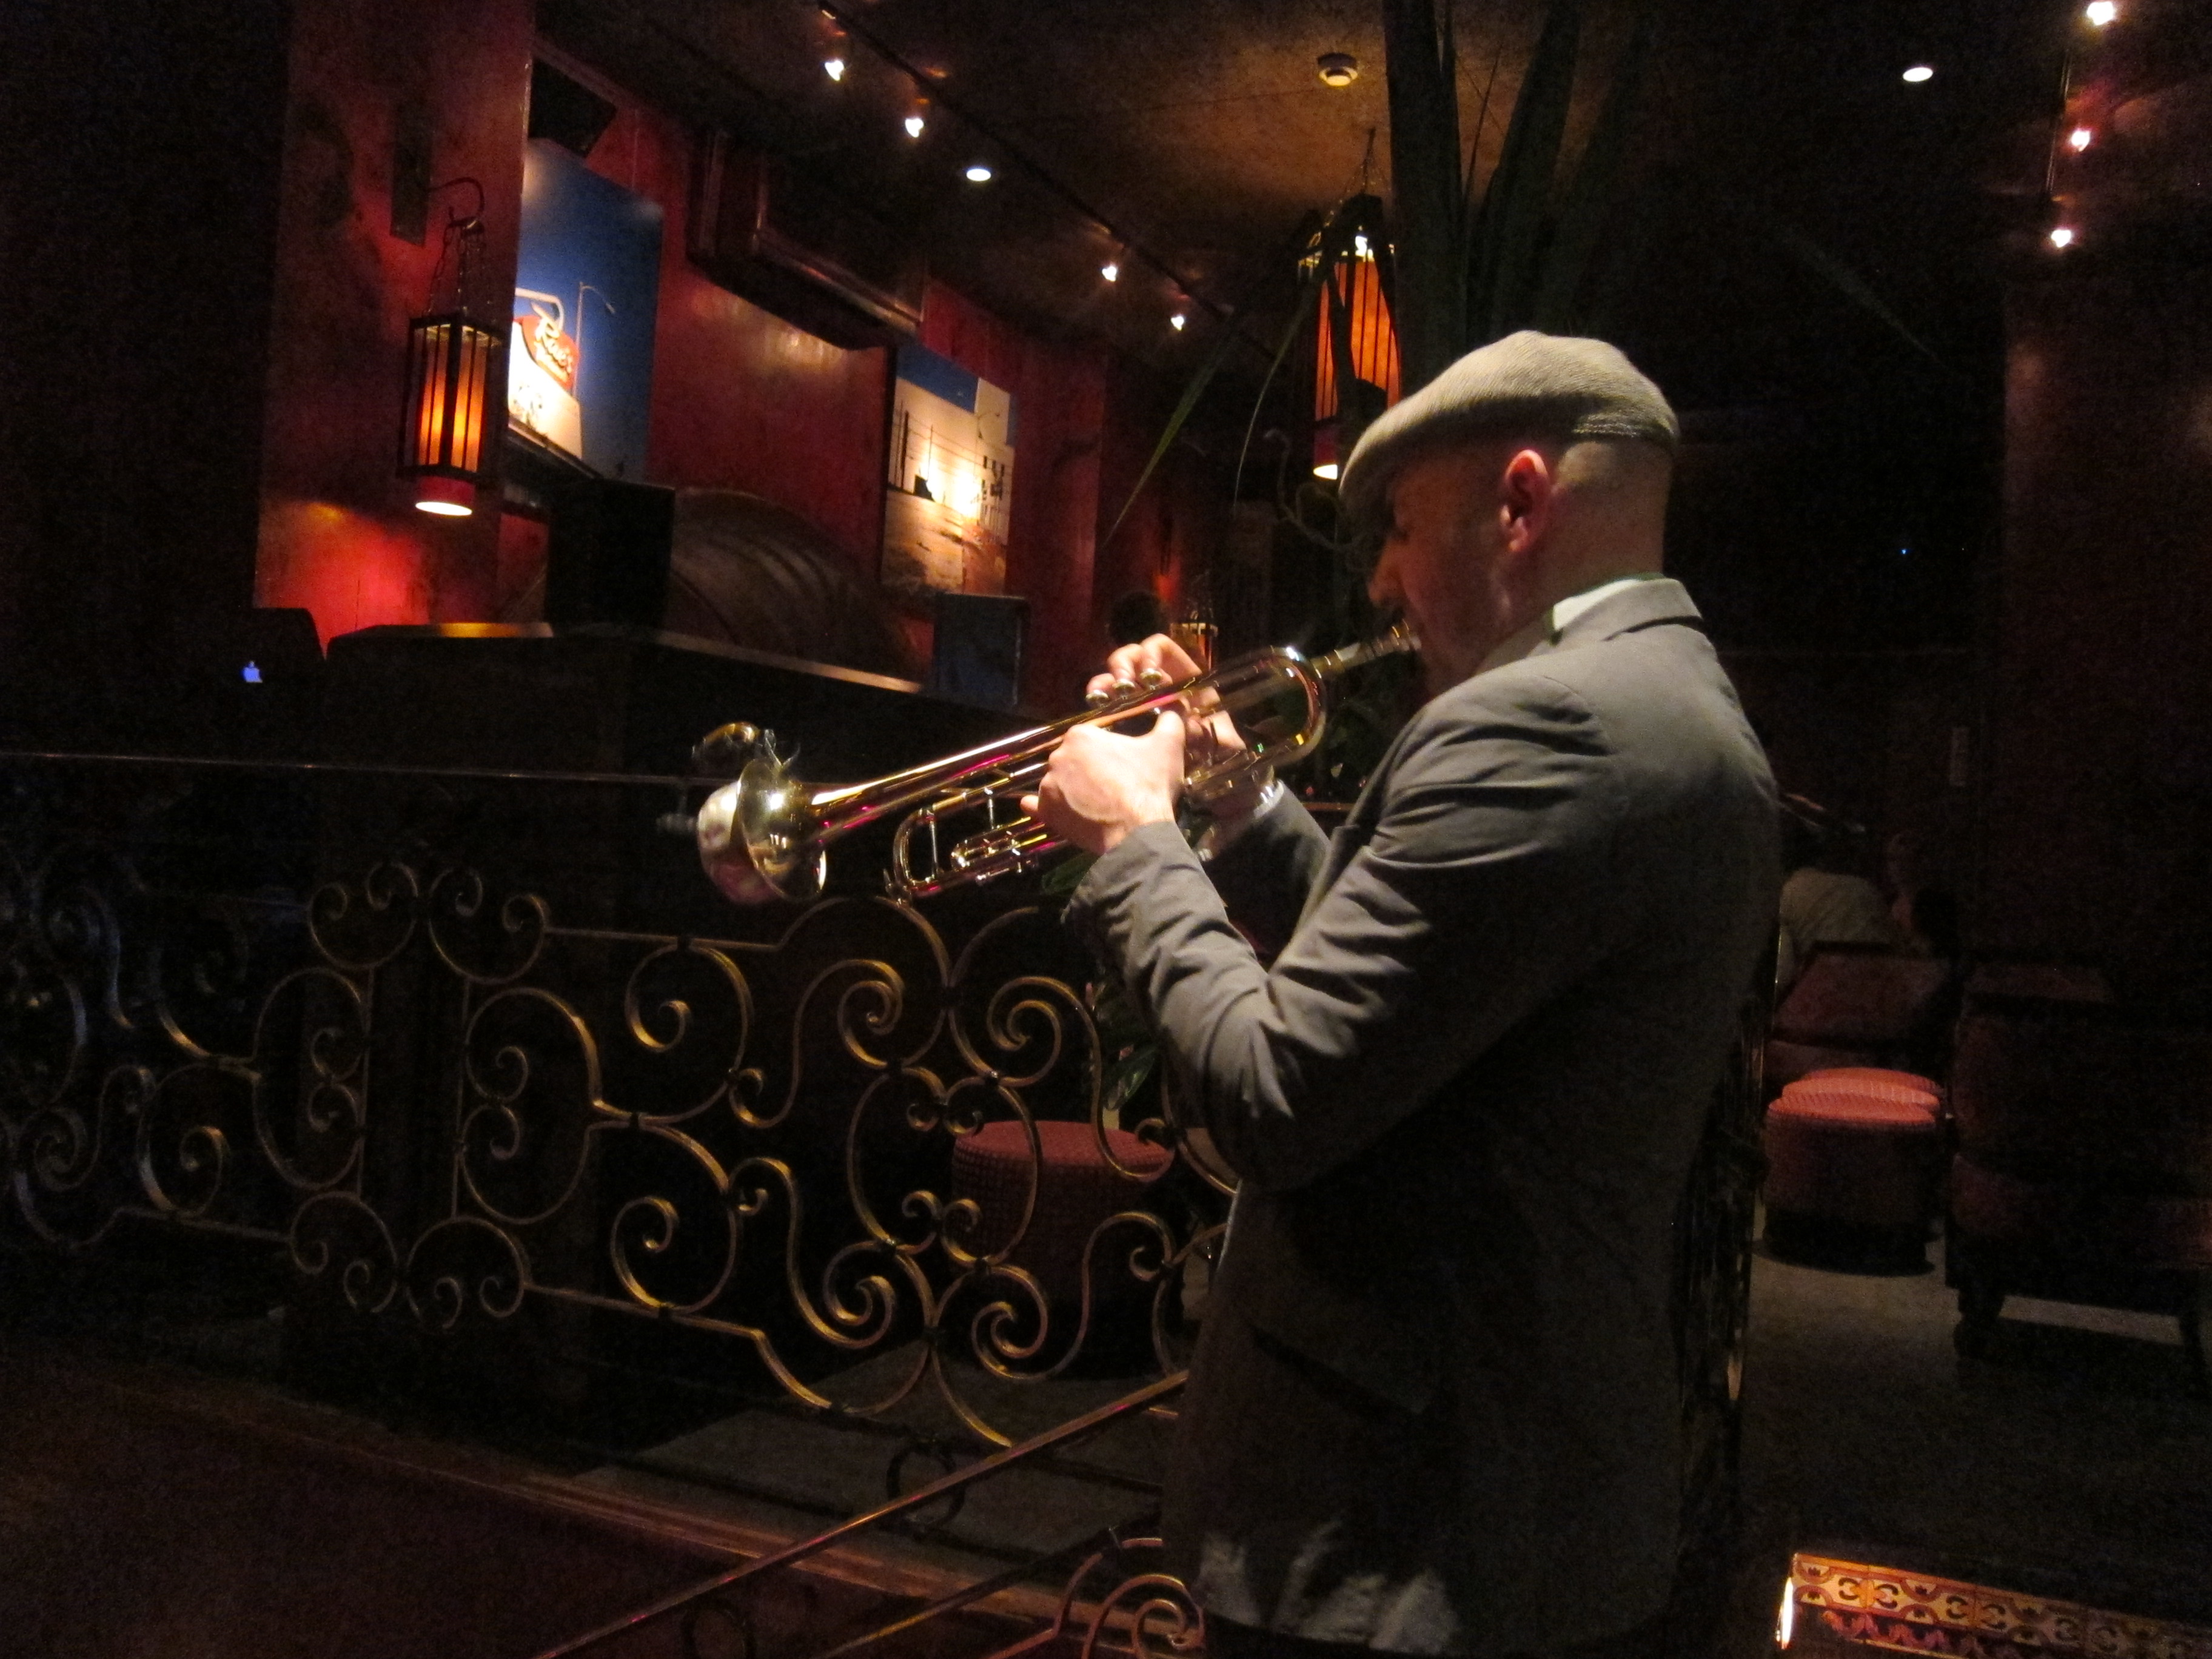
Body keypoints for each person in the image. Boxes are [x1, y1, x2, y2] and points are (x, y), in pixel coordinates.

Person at [1024, 332, 1779, 1658]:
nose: (1380, 579)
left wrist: (1134, 840)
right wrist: (1235, 793)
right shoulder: (1668, 695)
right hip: (1504, 1493)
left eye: (1404, 529)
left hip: (1403, 1526)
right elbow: (1430, 995)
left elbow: (1274, 1095)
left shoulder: (1548, 721)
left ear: (1521, 502)